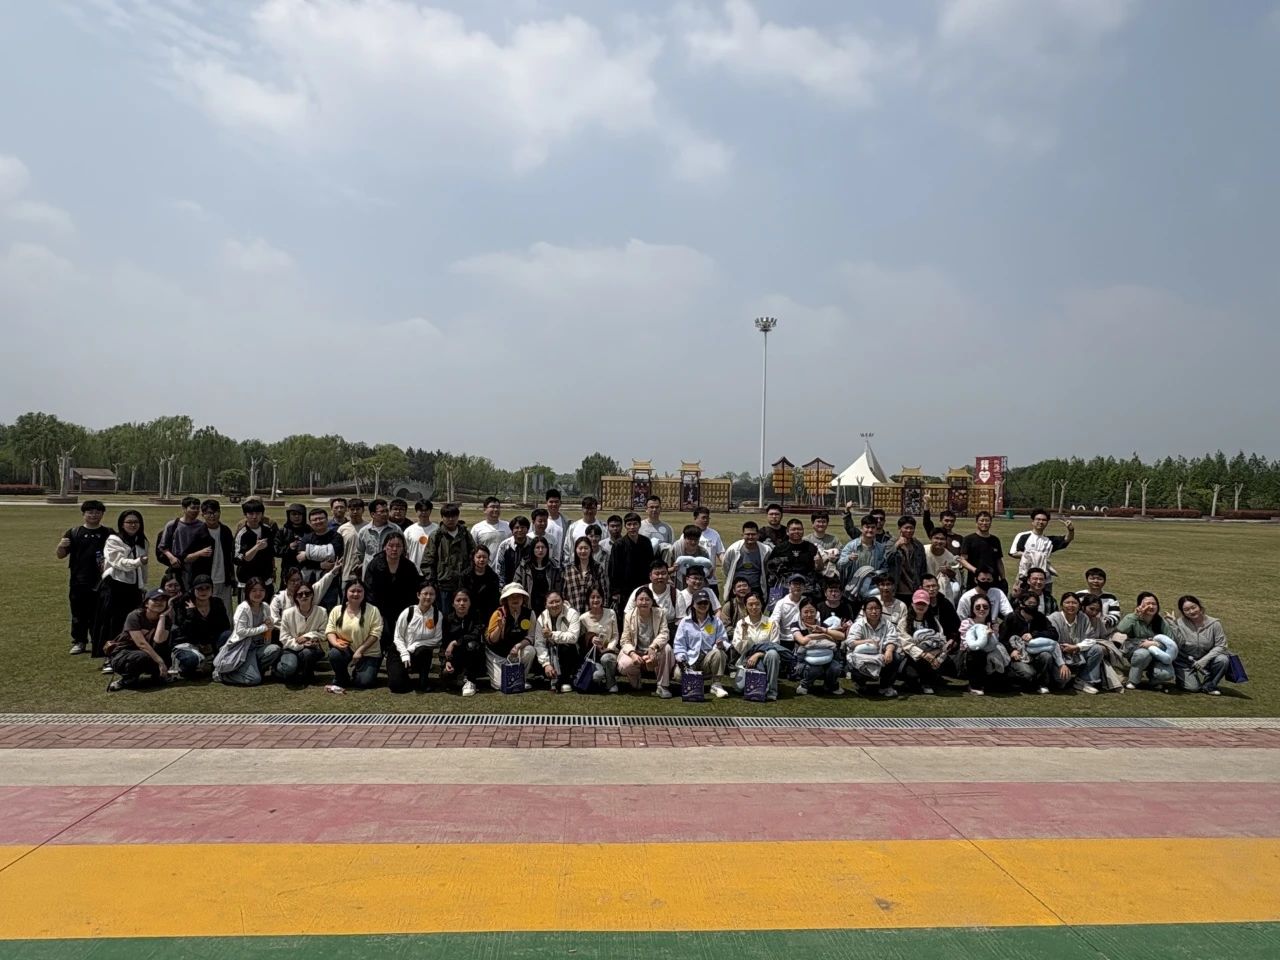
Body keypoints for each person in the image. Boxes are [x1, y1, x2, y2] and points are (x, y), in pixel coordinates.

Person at [362, 531, 421, 694]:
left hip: (402, 613)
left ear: (403, 548)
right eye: (391, 546)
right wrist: (377, 614)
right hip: (380, 611)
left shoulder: (409, 567)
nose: (394, 549)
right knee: (383, 637)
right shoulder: (375, 565)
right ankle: (373, 665)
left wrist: (408, 615)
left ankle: (401, 666)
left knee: (400, 640)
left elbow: (414, 593)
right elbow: (369, 591)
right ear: (384, 547)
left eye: (398, 546)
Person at [59, 499, 112, 656]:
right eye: (90, 512)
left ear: (102, 514)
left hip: (102, 581)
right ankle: (79, 641)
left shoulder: (109, 533)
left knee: (99, 613)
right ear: (83, 514)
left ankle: (98, 641)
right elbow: (61, 555)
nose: (93, 515)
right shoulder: (74, 533)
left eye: (97, 512)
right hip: (79, 581)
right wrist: (61, 545)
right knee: (78, 613)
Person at [94, 509, 149, 659]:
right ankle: (109, 655)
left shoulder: (141, 541)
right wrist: (137, 562)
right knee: (113, 621)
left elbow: (144, 567)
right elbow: (118, 562)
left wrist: (143, 584)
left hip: (133, 587)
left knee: (132, 621)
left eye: (136, 522)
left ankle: (128, 650)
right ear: (122, 524)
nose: (133, 525)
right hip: (115, 585)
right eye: (129, 522)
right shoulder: (114, 540)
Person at [213, 577, 283, 686]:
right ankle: (223, 675)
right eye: (254, 590)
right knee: (254, 680)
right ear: (248, 592)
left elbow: (268, 627)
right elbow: (241, 631)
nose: (258, 593)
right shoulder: (243, 608)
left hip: (259, 646)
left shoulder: (265, 607)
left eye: (261, 590)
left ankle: (253, 670)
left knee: (275, 649)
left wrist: (270, 626)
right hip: (244, 648)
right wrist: (264, 627)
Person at [105, 589, 171, 691]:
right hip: (124, 653)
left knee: (165, 655)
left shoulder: (166, 619)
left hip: (149, 653)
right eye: (155, 600)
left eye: (163, 600)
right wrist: (160, 662)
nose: (159, 602)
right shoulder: (135, 616)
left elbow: (158, 640)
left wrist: (162, 618)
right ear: (146, 603)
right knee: (141, 656)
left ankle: (155, 677)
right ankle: (126, 680)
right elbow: (141, 644)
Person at [1000, 592, 1066, 694]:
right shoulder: (1011, 618)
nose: (1032, 606)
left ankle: (1042, 684)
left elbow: (1054, 634)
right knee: (1028, 673)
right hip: (1019, 657)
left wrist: (1034, 634)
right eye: (1029, 603)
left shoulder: (1040, 617)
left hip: (1036, 654)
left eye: (1035, 604)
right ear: (1022, 604)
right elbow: (1002, 638)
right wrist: (1011, 650)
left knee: (1046, 656)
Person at [1113, 591, 1180, 691]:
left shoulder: (1161, 621)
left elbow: (1171, 642)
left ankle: (1154, 682)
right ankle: (1133, 681)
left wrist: (1155, 643)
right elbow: (1121, 629)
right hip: (1136, 651)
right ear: (1139, 605)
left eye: (1154, 604)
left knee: (1167, 674)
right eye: (1147, 604)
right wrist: (1135, 615)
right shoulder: (1133, 618)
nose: (1151, 606)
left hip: (1157, 653)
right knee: (1143, 654)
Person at [169, 574, 233, 678]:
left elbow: (224, 626)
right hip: (189, 642)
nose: (204, 591)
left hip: (210, 641)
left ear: (212, 589)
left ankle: (217, 661)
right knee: (191, 661)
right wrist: (192, 613)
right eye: (200, 589)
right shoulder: (184, 604)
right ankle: (182, 665)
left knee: (227, 635)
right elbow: (185, 630)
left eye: (207, 588)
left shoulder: (217, 603)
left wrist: (210, 644)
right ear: (193, 590)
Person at [325, 580, 384, 691]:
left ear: (364, 593)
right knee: (334, 654)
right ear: (346, 592)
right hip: (346, 649)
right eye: (352, 591)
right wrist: (335, 644)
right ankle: (342, 678)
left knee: (364, 682)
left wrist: (360, 651)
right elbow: (330, 630)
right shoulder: (337, 610)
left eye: (359, 591)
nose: (356, 594)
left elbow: (375, 634)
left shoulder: (373, 610)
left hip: (368, 652)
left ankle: (360, 670)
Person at [673, 590, 730, 698]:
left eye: (705, 603)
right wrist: (682, 660)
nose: (703, 605)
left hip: (708, 658)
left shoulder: (716, 621)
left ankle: (716, 684)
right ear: (693, 604)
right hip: (690, 659)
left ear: (709, 604)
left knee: (719, 653)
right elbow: (679, 644)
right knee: (678, 675)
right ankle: (692, 682)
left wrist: (721, 645)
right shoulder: (685, 622)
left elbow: (725, 640)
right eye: (699, 603)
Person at [618, 587, 674, 697]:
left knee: (667, 648)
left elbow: (665, 633)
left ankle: (662, 686)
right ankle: (636, 679)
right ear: (635, 601)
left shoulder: (660, 613)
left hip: (653, 651)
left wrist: (653, 647)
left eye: (647, 599)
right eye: (641, 599)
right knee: (625, 664)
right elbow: (625, 640)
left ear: (652, 601)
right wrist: (632, 654)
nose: (644, 602)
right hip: (636, 651)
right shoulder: (629, 616)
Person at [1170, 595, 1231, 696]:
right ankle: (1183, 679)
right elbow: (1178, 643)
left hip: (1206, 658)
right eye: (1186, 610)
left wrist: (1204, 660)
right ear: (1182, 612)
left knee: (1222, 660)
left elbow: (1221, 645)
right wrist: (1173, 625)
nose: (1191, 611)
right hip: (1185, 661)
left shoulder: (1214, 624)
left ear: (1199, 606)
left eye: (1193, 607)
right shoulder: (1179, 623)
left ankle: (1209, 685)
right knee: (1193, 688)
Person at [182, 500, 236, 609]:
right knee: (205, 611)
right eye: (209, 513)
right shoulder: (197, 533)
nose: (212, 516)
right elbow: (185, 558)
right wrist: (199, 553)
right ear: (203, 514)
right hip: (205, 582)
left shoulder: (226, 531)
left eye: (215, 512)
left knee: (226, 611)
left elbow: (231, 556)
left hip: (224, 580)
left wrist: (232, 578)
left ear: (220, 512)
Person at [485, 582, 539, 691]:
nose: (515, 599)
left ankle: (521, 679)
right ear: (506, 600)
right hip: (498, 653)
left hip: (515, 652)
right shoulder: (498, 614)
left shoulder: (530, 613)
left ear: (523, 598)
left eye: (518, 596)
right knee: (501, 685)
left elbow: (531, 637)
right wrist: (499, 628)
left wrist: (518, 646)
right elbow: (492, 640)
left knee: (530, 650)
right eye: (511, 597)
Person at [730, 592, 784, 701]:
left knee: (773, 654)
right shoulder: (741, 623)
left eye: (757, 604)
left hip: (765, 658)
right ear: (745, 606)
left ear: (762, 605)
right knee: (740, 688)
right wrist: (744, 633)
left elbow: (775, 645)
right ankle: (760, 682)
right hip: (747, 660)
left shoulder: (771, 623)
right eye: (750, 604)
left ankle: (772, 691)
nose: (754, 607)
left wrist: (758, 654)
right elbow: (740, 650)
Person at [1048, 592, 1104, 694]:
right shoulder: (1054, 618)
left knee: (1097, 649)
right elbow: (1051, 642)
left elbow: (1091, 639)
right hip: (1059, 655)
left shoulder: (1083, 617)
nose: (1071, 605)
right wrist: (1062, 661)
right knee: (1063, 680)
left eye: (1074, 603)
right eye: (1067, 602)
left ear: (1079, 606)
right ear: (1061, 605)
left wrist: (1076, 647)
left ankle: (1084, 681)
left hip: (1076, 653)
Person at [392, 581, 443, 693]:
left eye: (431, 594)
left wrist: (417, 644)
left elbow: (438, 639)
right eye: (425, 593)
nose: (428, 597)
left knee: (425, 650)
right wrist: (404, 653)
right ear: (418, 595)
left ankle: (423, 682)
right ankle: (404, 675)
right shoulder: (408, 612)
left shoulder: (437, 615)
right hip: (400, 651)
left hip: (419, 652)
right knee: (396, 686)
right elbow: (398, 637)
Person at [896, 590, 949, 694]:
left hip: (931, 656)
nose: (921, 606)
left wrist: (937, 654)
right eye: (918, 603)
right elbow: (906, 644)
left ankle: (927, 682)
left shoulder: (934, 621)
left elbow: (942, 640)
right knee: (912, 677)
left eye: (924, 604)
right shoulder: (904, 622)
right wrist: (923, 654)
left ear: (928, 605)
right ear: (912, 604)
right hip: (910, 658)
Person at [846, 596, 900, 697]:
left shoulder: (888, 624)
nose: (874, 611)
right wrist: (867, 641)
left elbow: (892, 639)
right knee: (852, 659)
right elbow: (850, 642)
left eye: (877, 608)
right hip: (861, 657)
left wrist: (889, 650)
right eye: (870, 608)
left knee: (895, 656)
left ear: (881, 610)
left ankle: (885, 687)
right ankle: (860, 685)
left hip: (880, 656)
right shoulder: (858, 625)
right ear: (864, 611)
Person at [791, 598, 845, 696]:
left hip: (826, 658)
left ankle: (830, 685)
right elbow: (802, 641)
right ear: (800, 613)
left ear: (816, 612)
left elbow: (841, 636)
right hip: (804, 662)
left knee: (835, 667)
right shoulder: (795, 625)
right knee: (815, 669)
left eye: (812, 612)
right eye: (805, 612)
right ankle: (805, 684)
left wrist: (824, 630)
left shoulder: (822, 625)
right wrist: (823, 636)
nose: (809, 615)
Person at [277, 582, 328, 683]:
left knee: (307, 653)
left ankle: (307, 673)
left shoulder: (322, 612)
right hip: (291, 649)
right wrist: (301, 644)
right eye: (300, 594)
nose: (304, 596)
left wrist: (308, 636)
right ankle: (278, 668)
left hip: (312, 649)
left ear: (312, 595)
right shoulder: (287, 614)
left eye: (307, 593)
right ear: (296, 597)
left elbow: (324, 633)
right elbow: (284, 638)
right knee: (289, 669)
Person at [1010, 508, 1075, 587]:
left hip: (1045, 580)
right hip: (1025, 577)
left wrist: (1071, 530)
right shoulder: (1023, 536)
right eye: (1038, 519)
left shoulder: (1049, 541)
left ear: (1047, 523)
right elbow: (1013, 553)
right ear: (1033, 521)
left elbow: (1067, 539)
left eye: (1044, 520)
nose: (1041, 522)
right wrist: (1032, 555)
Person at [426, 503, 475, 609]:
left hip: (463, 584)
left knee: (463, 612)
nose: (451, 519)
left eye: (454, 516)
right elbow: (428, 561)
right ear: (442, 517)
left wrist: (469, 574)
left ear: (458, 517)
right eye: (447, 516)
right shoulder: (436, 536)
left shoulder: (465, 534)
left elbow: (473, 556)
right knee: (445, 615)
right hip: (443, 585)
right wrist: (432, 583)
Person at [607, 512, 655, 616]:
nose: (632, 527)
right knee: (627, 615)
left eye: (635, 524)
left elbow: (651, 564)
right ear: (625, 526)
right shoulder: (619, 544)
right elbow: (613, 569)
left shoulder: (646, 542)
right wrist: (615, 591)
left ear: (639, 525)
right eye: (629, 524)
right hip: (625, 588)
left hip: (643, 584)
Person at [296, 507, 344, 609]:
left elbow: (332, 553)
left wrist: (307, 554)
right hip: (310, 581)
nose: (318, 521)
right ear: (310, 523)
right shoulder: (306, 538)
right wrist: (320, 564)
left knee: (329, 610)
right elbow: (300, 559)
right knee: (309, 609)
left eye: (321, 518)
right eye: (314, 520)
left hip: (331, 582)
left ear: (327, 519)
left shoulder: (336, 537)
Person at [536, 591, 582, 693]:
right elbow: (539, 643)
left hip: (568, 652)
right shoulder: (541, 618)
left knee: (565, 647)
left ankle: (566, 679)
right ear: (546, 605)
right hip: (550, 651)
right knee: (538, 650)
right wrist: (546, 664)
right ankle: (549, 677)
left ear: (563, 601)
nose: (555, 605)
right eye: (551, 602)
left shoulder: (572, 613)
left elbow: (573, 637)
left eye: (557, 601)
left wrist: (552, 635)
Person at [442, 589, 485, 697]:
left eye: (465, 600)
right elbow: (444, 643)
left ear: (470, 603)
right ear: (453, 604)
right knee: (446, 676)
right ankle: (459, 677)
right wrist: (446, 661)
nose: (462, 603)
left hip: (472, 655)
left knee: (472, 645)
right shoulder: (447, 619)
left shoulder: (476, 616)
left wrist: (455, 642)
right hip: (455, 657)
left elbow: (475, 635)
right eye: (458, 600)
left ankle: (470, 680)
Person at [956, 595, 1001, 696]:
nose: (982, 609)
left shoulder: (993, 625)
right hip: (968, 657)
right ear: (972, 609)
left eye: (985, 607)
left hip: (989, 654)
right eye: (978, 607)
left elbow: (994, 644)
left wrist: (991, 635)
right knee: (976, 653)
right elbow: (968, 644)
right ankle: (974, 685)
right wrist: (985, 637)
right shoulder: (967, 623)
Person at [579, 586, 620, 693]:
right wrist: (591, 639)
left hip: (610, 652)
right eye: (592, 597)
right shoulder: (583, 618)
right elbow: (582, 640)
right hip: (594, 656)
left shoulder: (611, 613)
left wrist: (609, 648)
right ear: (588, 599)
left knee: (606, 658)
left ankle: (611, 683)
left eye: (598, 597)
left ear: (602, 598)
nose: (595, 600)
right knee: (596, 676)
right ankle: (598, 681)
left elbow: (615, 635)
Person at [233, 499, 277, 599]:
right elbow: (238, 559)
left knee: (266, 608)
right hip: (247, 582)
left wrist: (273, 570)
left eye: (258, 513)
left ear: (262, 514)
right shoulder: (242, 534)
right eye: (251, 513)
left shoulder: (267, 530)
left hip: (265, 580)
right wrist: (256, 548)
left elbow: (272, 554)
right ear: (245, 515)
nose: (254, 517)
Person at [721, 521, 772, 601]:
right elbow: (726, 567)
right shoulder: (733, 549)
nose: (750, 537)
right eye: (747, 534)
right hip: (738, 588)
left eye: (753, 534)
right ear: (742, 535)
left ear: (758, 535)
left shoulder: (766, 550)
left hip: (756, 587)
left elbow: (766, 569)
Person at [884, 515, 927, 605]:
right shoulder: (892, 542)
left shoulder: (918, 545)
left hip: (914, 585)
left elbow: (923, 566)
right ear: (900, 528)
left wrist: (922, 583)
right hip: (897, 586)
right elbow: (887, 559)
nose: (909, 531)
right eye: (906, 528)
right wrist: (897, 545)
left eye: (911, 528)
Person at [624, 560, 679, 631]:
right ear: (650, 576)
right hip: (642, 630)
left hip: (668, 631)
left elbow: (680, 619)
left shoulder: (676, 593)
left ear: (668, 576)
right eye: (657, 574)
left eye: (663, 573)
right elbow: (627, 614)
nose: (660, 576)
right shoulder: (639, 591)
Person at [562, 536, 610, 616]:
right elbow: (563, 593)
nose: (583, 551)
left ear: (591, 549)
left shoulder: (597, 568)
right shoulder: (568, 569)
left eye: (586, 548)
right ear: (575, 550)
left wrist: (603, 610)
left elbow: (604, 591)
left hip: (593, 614)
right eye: (580, 548)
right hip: (573, 614)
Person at [770, 519, 823, 590]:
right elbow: (771, 568)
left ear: (803, 531)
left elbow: (820, 568)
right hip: (785, 584)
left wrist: (819, 562)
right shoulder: (779, 548)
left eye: (799, 529)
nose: (796, 531)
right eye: (793, 529)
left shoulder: (811, 547)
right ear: (787, 532)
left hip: (807, 585)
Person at [959, 510, 1006, 590]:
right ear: (976, 522)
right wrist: (976, 571)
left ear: (990, 523)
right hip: (974, 580)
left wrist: (1003, 579)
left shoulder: (995, 540)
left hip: (993, 580)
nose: (984, 523)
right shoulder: (968, 539)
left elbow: (999, 561)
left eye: (987, 521)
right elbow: (963, 560)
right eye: (982, 520)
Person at [155, 496, 202, 572]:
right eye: (193, 508)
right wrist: (172, 558)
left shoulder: (202, 526)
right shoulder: (172, 525)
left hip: (196, 566)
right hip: (177, 564)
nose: (196, 511)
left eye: (198, 508)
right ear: (184, 508)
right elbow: (162, 546)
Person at [459, 545, 501, 623]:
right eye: (478, 557)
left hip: (487, 613)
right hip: (469, 612)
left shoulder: (493, 577)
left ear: (488, 558)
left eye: (484, 557)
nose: (481, 559)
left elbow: (495, 599)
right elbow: (462, 596)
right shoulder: (465, 576)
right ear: (473, 558)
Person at [692, 507, 726, 597]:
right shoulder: (688, 534)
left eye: (707, 518)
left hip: (711, 579)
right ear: (695, 518)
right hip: (693, 579)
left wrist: (727, 565)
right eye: (703, 518)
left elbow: (720, 553)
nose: (706, 520)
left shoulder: (714, 534)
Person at [924, 528, 962, 605]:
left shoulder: (950, 557)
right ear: (931, 539)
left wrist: (947, 571)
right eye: (936, 538)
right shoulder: (923, 550)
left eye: (942, 539)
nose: (939, 541)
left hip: (941, 588)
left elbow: (955, 576)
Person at [358, 499, 399, 570]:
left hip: (390, 570)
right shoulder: (364, 531)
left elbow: (403, 550)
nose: (385, 514)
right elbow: (360, 553)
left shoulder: (396, 529)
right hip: (370, 571)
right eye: (382, 511)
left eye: (387, 511)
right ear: (373, 514)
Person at [669, 524, 713, 589]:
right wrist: (673, 569)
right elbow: (665, 571)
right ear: (684, 538)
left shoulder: (703, 552)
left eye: (696, 539)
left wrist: (710, 570)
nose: (693, 542)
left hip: (698, 587)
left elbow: (708, 576)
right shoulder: (675, 549)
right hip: (678, 586)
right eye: (690, 539)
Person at [494, 515, 533, 587]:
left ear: (527, 529)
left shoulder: (533, 544)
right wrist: (501, 587)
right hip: (509, 586)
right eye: (516, 528)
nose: (520, 530)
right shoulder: (504, 545)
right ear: (512, 530)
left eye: (522, 527)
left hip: (529, 585)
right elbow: (500, 568)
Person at [565, 496, 604, 565]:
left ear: (596, 509)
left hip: (598, 567)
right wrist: (567, 566)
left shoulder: (603, 527)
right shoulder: (573, 527)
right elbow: (567, 549)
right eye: (587, 508)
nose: (590, 511)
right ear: (582, 509)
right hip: (576, 567)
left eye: (592, 508)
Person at [275, 503, 310, 579]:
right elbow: (276, 550)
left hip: (306, 570)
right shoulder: (283, 531)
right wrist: (289, 547)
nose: (297, 516)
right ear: (289, 515)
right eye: (294, 514)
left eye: (299, 514)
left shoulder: (309, 531)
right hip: (287, 570)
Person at [403, 499, 438, 574]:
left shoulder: (437, 529)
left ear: (430, 511)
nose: (424, 513)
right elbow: (405, 553)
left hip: (432, 572)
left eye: (426, 510)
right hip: (413, 572)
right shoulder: (409, 531)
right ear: (416, 511)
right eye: (421, 510)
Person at [336, 497, 366, 584]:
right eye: (352, 509)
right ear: (348, 510)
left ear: (363, 510)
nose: (355, 512)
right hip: (346, 572)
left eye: (358, 509)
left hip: (365, 572)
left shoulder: (369, 527)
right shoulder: (342, 529)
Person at [806, 511, 841, 581]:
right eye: (818, 521)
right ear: (813, 523)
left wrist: (834, 558)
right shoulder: (806, 540)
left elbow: (842, 555)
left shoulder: (834, 540)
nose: (821, 524)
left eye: (824, 522)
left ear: (827, 523)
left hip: (830, 574)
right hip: (811, 574)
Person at [771, 574, 807, 639]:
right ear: (789, 586)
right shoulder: (781, 603)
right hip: (786, 638)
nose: (798, 586)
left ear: (804, 587)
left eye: (801, 584)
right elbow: (774, 621)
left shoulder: (807, 602)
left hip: (804, 636)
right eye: (795, 584)